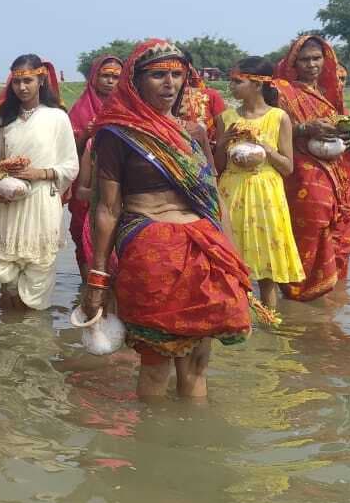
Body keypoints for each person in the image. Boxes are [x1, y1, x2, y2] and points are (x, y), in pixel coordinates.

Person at [83, 39, 254, 399]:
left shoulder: (193, 132)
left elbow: (211, 196)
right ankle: (151, 450)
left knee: (196, 364)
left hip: (204, 248)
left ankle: (197, 448)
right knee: (156, 366)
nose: (169, 83)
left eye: (176, 75)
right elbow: (107, 208)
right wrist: (98, 278)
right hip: (151, 248)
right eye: (158, 74)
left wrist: (234, 260)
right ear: (136, 81)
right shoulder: (117, 133)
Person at [273, 35, 350, 302]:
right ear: (293, 62)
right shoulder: (281, 91)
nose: (311, 65)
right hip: (301, 170)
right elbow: (268, 129)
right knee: (312, 226)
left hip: (335, 169)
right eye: (305, 59)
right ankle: (301, 295)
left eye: (316, 58)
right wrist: (304, 128)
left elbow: (342, 122)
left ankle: (330, 301)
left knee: (339, 229)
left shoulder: (329, 91)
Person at [0, 55, 78, 310]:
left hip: (41, 200)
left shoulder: (58, 118)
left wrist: (40, 173)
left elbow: (71, 166)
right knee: (6, 272)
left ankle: (34, 337)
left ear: (41, 80)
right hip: (8, 201)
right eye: (17, 82)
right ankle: (9, 336)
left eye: (28, 81)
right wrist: (0, 180)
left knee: (39, 266)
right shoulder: (5, 118)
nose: (22, 87)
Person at [213, 57, 304, 310]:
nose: (231, 87)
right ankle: (235, 322)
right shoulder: (225, 118)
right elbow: (218, 167)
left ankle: (270, 325)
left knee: (267, 271)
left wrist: (266, 149)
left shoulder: (278, 118)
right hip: (232, 190)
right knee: (230, 263)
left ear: (257, 84)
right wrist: (223, 143)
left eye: (237, 82)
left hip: (266, 194)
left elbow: (287, 167)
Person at [66, 55, 123, 278]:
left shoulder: (129, 108)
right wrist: (86, 136)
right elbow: (68, 152)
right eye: (105, 76)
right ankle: (86, 286)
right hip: (86, 184)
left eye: (116, 77)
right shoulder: (80, 110)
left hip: (119, 184)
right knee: (83, 236)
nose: (110, 81)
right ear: (94, 77)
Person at [177, 63, 227, 141]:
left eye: (176, 73)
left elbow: (223, 131)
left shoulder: (210, 95)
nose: (169, 80)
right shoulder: (159, 101)